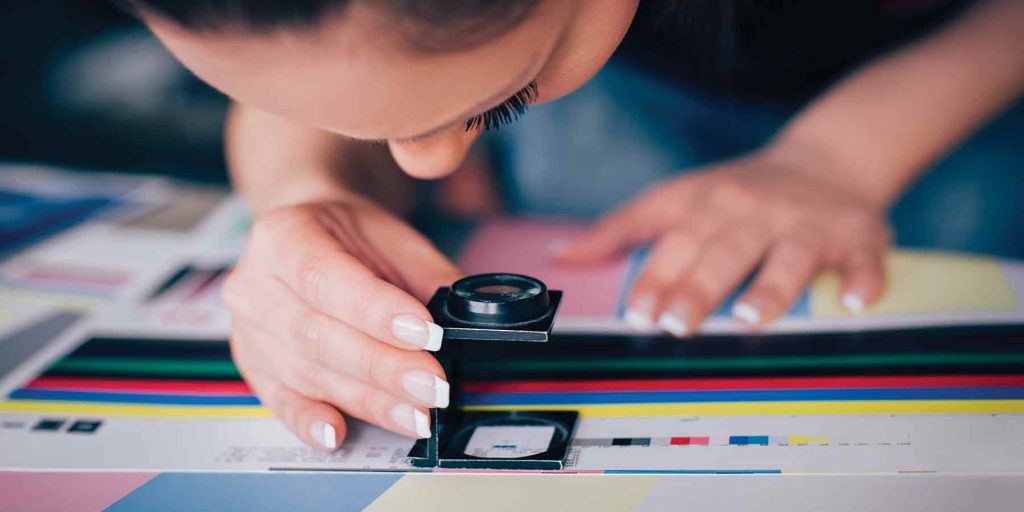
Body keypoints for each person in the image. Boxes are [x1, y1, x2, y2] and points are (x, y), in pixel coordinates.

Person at [116, 0, 1024, 450]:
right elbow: (315, 54)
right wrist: (303, 190)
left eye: (500, 105)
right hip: (625, 84)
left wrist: (841, 159)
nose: (427, 168)